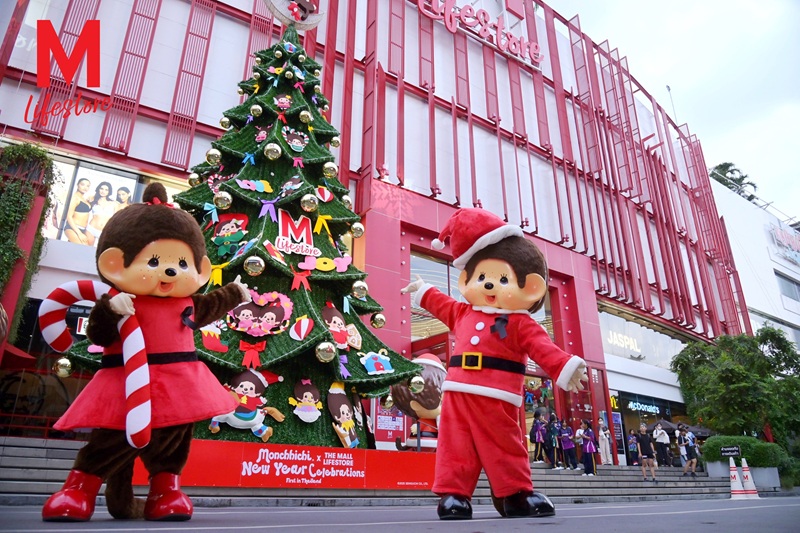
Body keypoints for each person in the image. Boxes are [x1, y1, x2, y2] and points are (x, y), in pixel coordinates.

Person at [40, 183, 251, 522]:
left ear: (199, 268)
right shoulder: (118, 301)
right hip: (125, 384)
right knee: (111, 439)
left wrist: (235, 292)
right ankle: (80, 488)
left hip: (178, 385)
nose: (170, 271)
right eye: (154, 261)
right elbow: (99, 334)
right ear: (115, 263)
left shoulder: (187, 302)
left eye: (181, 263)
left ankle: (165, 491)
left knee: (172, 440)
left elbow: (212, 304)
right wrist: (110, 310)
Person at [401, 208, 588, 520]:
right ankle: (453, 495)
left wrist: (564, 366)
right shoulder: (463, 313)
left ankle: (513, 494)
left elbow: (543, 348)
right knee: (455, 445)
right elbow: (442, 304)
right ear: (467, 279)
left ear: (530, 287)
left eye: (502, 279)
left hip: (497, 396)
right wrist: (423, 291)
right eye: (482, 278)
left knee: (504, 444)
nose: (489, 285)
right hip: (458, 393)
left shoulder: (520, 323)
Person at [86, 181, 116, 246]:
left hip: (105, 231)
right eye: (101, 188)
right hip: (91, 229)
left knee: (102, 250)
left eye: (106, 190)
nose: (103, 191)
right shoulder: (93, 200)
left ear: (109, 192)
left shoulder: (114, 203)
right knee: (87, 249)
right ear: (98, 189)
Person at [63, 177, 92, 244]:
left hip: (83, 229)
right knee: (83, 248)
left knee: (73, 249)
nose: (85, 187)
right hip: (73, 228)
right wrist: (79, 233)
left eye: (87, 186)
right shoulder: (75, 198)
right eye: (82, 184)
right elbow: (69, 216)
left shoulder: (84, 199)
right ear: (77, 185)